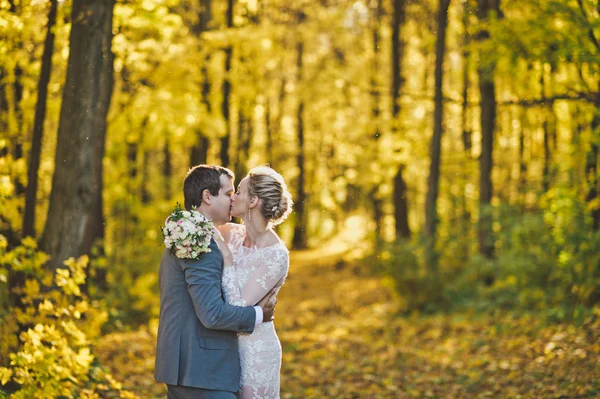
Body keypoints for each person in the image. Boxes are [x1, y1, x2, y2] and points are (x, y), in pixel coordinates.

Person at [154, 165, 277, 399]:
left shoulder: (184, 234)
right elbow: (211, 314)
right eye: (228, 193)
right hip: (202, 370)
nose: (233, 200)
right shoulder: (200, 242)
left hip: (185, 366)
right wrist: (259, 315)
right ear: (207, 196)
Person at [216, 165, 293, 399]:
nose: (233, 196)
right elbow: (196, 224)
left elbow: (240, 309)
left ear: (253, 202)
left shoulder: (276, 255)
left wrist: (227, 260)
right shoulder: (232, 233)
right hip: (224, 349)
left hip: (256, 353)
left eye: (238, 191)